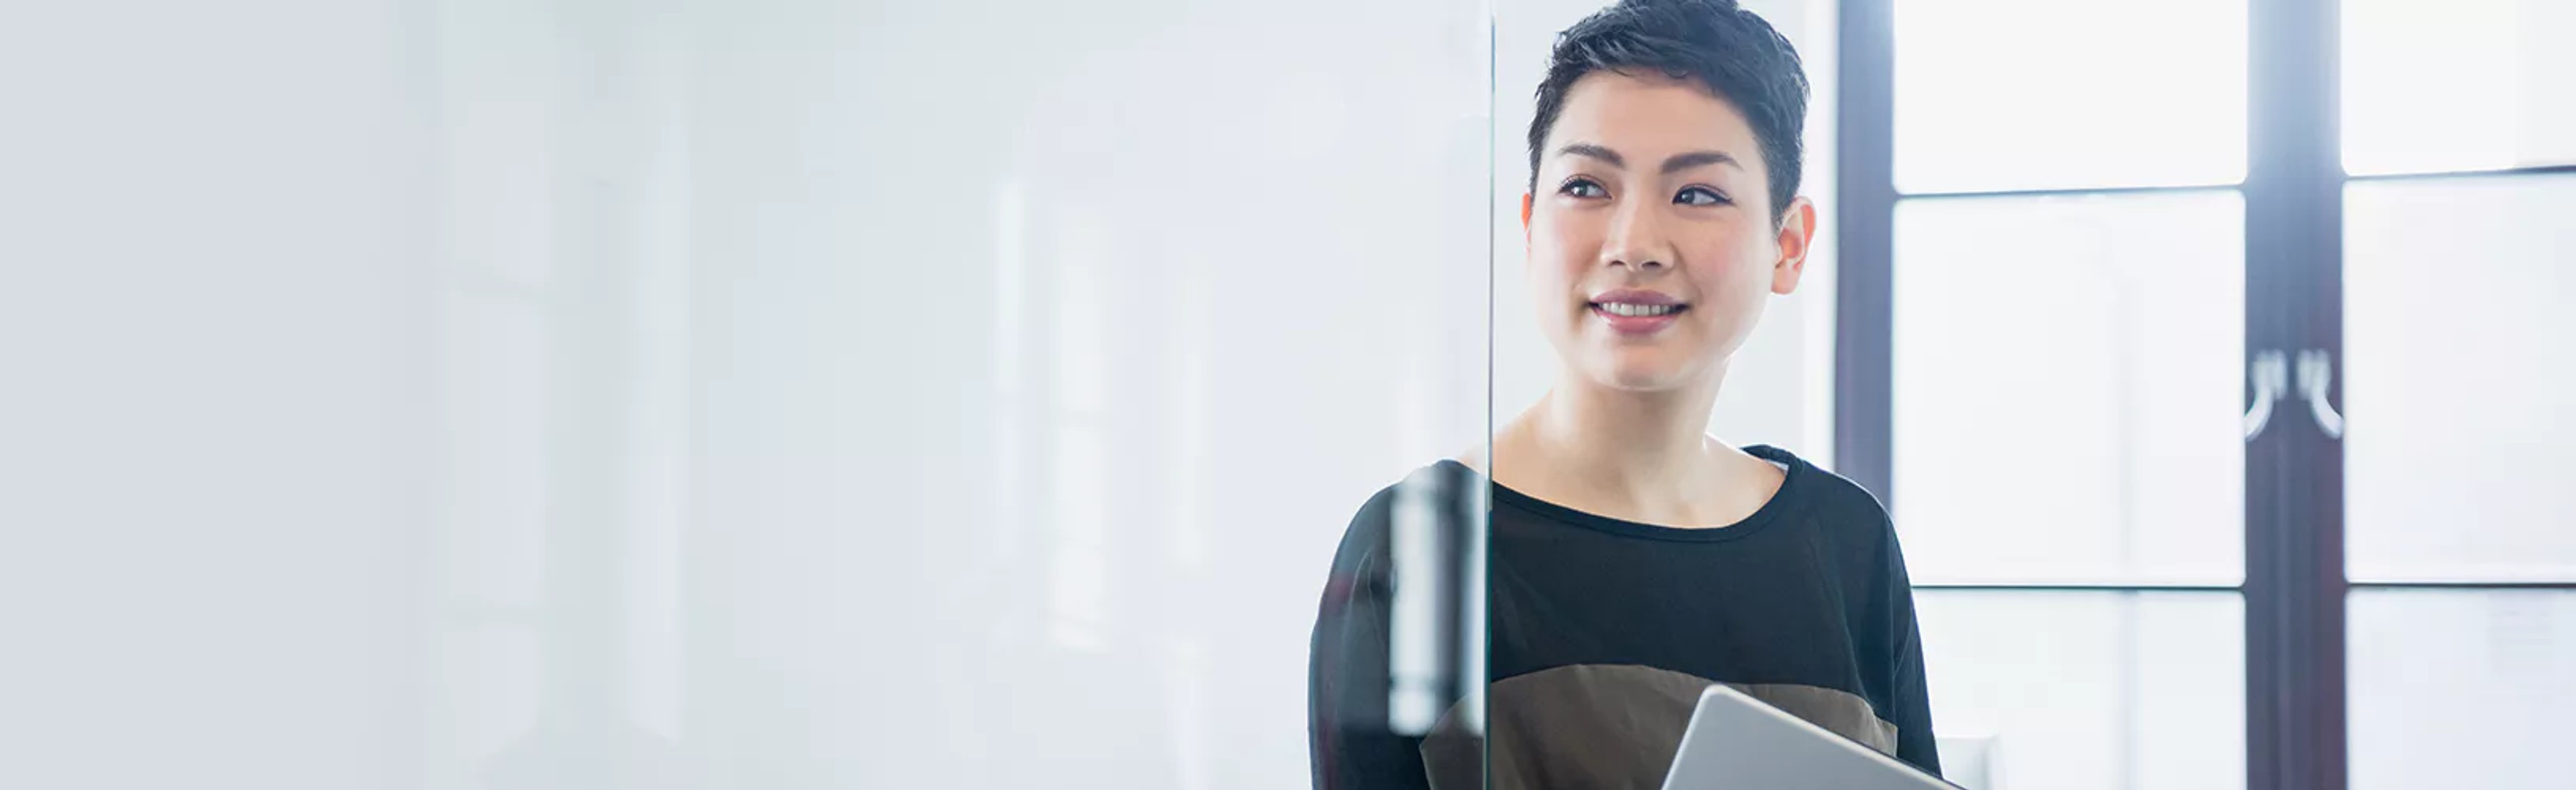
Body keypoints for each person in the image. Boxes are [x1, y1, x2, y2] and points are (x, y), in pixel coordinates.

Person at [1307, 1, 1941, 787]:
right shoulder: (1416, 550)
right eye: (1587, 185)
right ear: (1531, 225)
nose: (1633, 244)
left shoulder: (1849, 546)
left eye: (1697, 193)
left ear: (1788, 244)